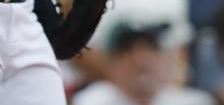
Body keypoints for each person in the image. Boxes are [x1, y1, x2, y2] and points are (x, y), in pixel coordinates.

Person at [73, 24, 214, 105]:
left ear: (166, 59)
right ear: (112, 62)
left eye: (151, 49)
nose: (141, 61)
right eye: (128, 51)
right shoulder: (92, 101)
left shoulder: (196, 102)